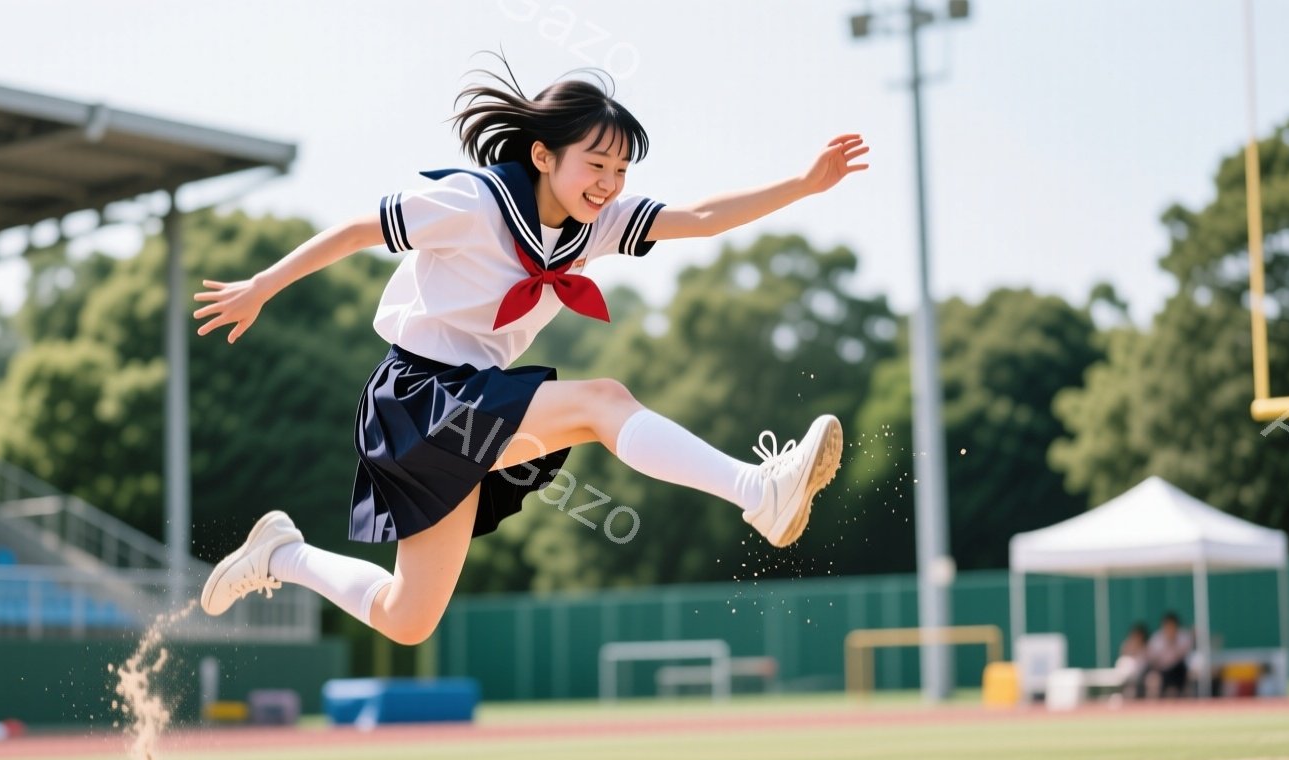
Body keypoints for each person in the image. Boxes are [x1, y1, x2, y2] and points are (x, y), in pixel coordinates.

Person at [192, 63, 868, 643]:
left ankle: (282, 555)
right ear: (544, 155)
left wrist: (803, 185)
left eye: (622, 169)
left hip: (472, 399)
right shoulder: (472, 200)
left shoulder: (597, 222)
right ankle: (757, 490)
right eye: (595, 164)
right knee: (602, 400)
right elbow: (356, 230)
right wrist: (263, 284)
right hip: (417, 398)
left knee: (407, 619)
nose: (609, 182)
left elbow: (698, 218)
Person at [1144, 612, 1193, 699]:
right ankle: (1152, 708)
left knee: (1174, 690)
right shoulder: (1156, 639)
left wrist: (1172, 644)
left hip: (1177, 671)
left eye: (1172, 626)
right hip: (1160, 670)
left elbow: (1183, 657)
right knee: (1153, 680)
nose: (1170, 629)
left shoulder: (1183, 638)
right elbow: (1151, 659)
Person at [1115, 622, 1150, 700]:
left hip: (1143, 674)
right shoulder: (1127, 645)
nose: (1137, 638)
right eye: (1135, 635)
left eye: (1139, 635)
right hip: (1128, 678)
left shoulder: (1147, 648)